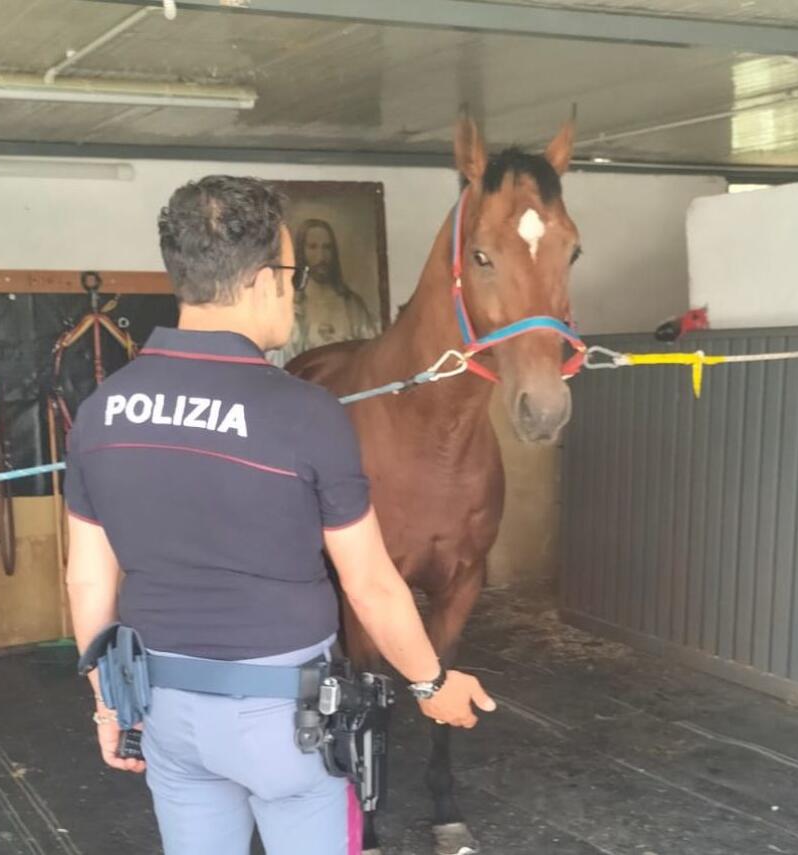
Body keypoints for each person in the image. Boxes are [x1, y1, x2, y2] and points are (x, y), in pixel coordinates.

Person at [64, 175, 494, 855]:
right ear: (265, 280)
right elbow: (371, 584)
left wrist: (107, 701)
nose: (294, 292)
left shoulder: (102, 409)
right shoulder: (304, 412)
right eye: (291, 275)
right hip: (284, 721)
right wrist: (431, 682)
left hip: (167, 710)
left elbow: (88, 578)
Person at [272, 219, 379, 366]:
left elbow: (372, 355)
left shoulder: (352, 306)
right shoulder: (290, 306)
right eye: (312, 247)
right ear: (302, 251)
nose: (321, 257)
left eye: (327, 248)